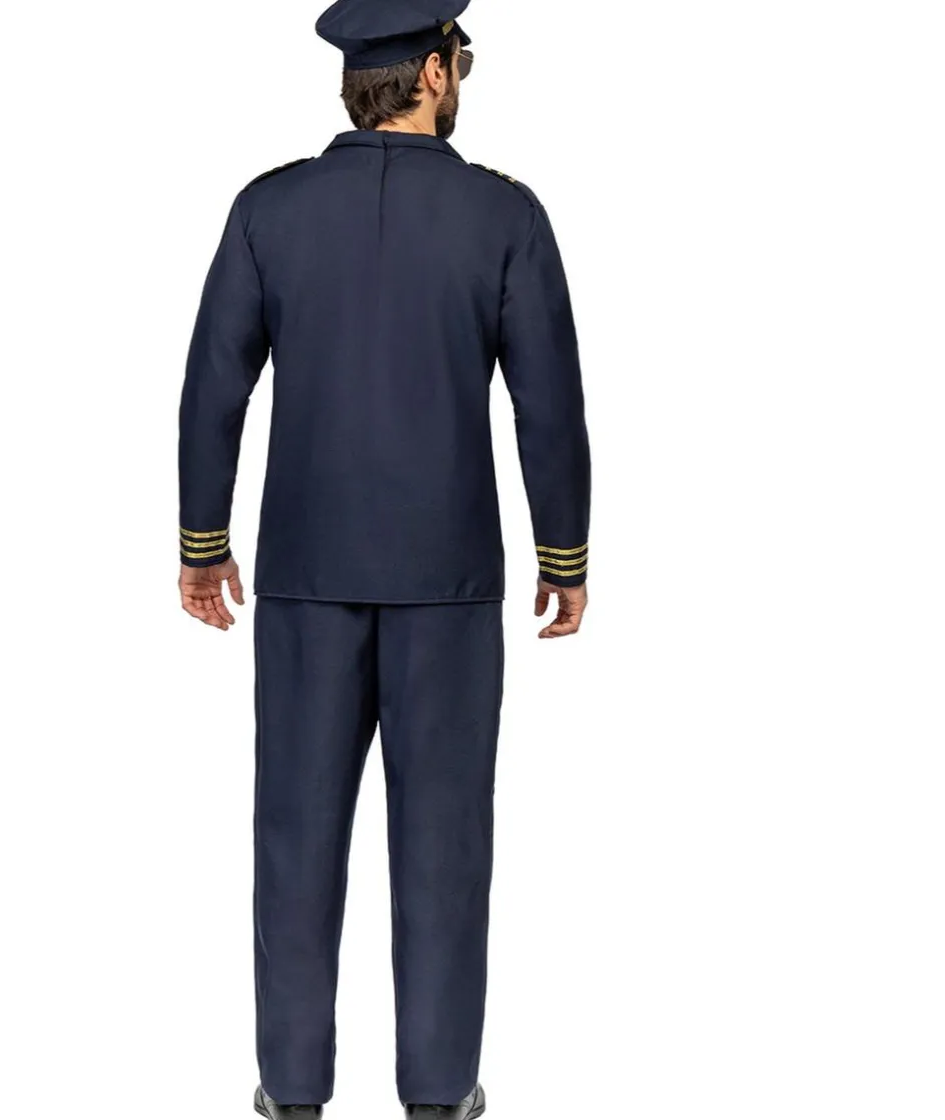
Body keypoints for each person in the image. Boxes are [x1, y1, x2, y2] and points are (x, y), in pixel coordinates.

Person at [177, 1, 590, 1115]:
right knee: (445, 847)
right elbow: (549, 406)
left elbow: (214, 386)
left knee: (293, 838)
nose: (464, 73)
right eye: (462, 57)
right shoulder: (503, 214)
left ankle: (291, 1092)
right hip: (449, 584)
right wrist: (564, 552)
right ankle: (440, 1094)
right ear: (433, 74)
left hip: (304, 576)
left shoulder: (268, 208)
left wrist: (204, 543)